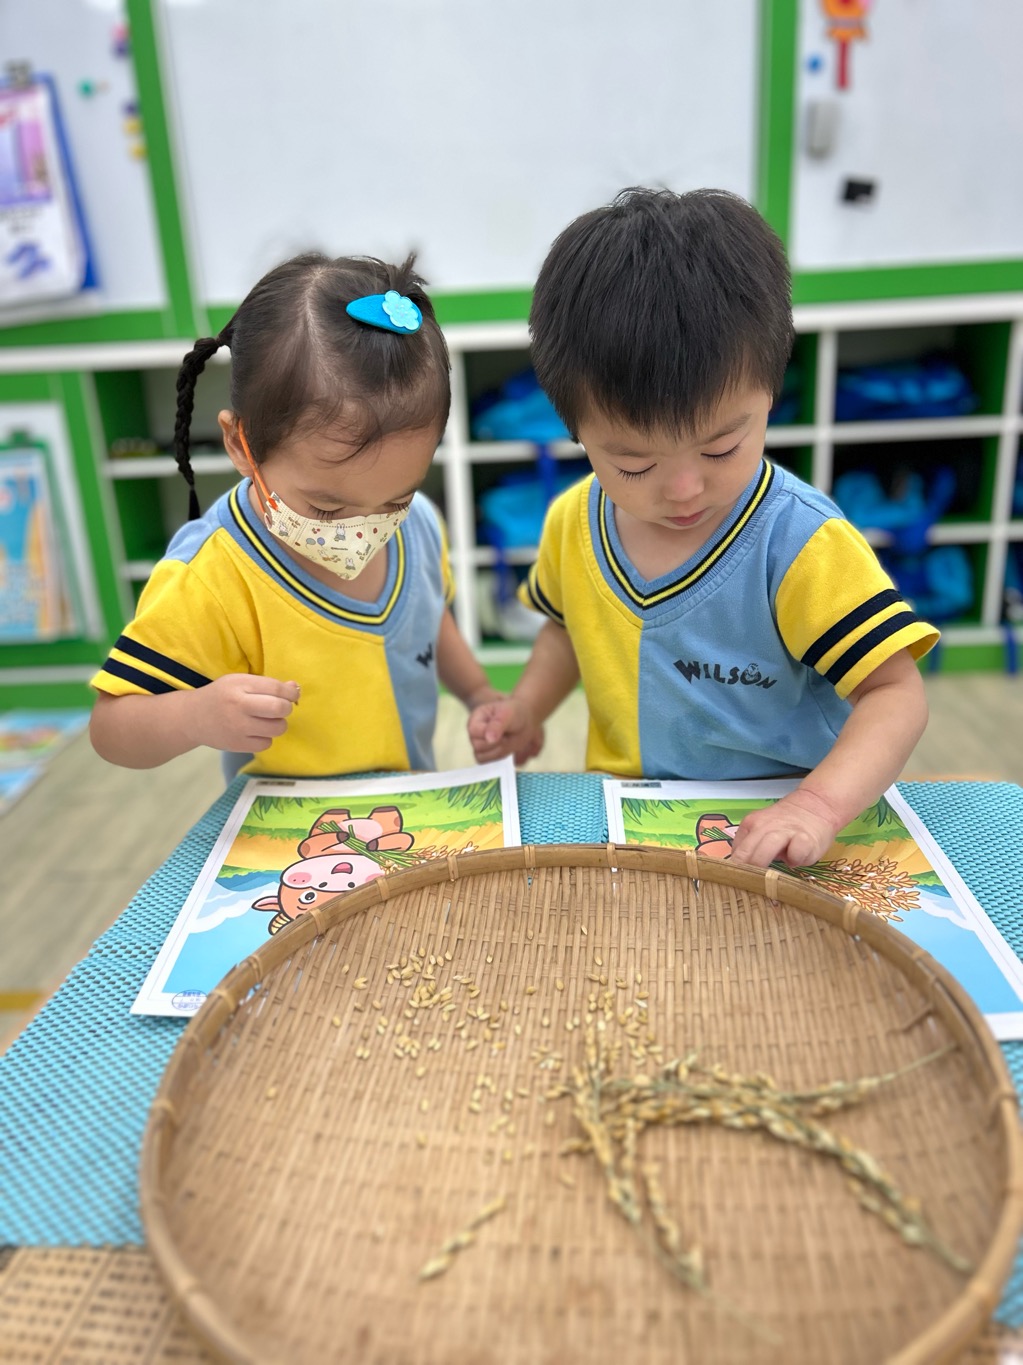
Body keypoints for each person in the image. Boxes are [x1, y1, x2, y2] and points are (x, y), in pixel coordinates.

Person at [468, 188, 937, 868]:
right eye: (634, 463)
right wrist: (527, 708)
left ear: (770, 393)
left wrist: (816, 805)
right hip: (627, 817)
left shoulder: (799, 543)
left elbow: (894, 693)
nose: (684, 489)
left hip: (777, 826)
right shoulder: (572, 521)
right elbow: (568, 629)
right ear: (573, 429)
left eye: (721, 448)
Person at [90, 252, 508, 780]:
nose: (364, 530)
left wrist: (478, 693)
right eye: (326, 508)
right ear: (240, 444)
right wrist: (194, 715)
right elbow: (110, 730)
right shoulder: (212, 575)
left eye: (395, 499)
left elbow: (430, 620)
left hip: (407, 811)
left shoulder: (418, 523)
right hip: (282, 825)